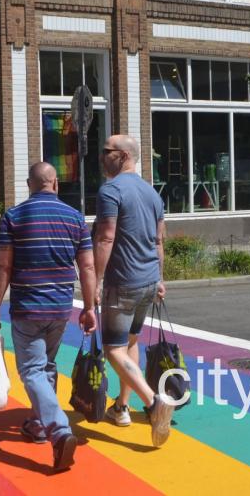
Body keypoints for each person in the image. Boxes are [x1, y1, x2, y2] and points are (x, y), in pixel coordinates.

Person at [0, 162, 97, 472]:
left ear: (29, 184)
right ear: (56, 184)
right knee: (47, 365)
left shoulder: (14, 216)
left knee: (33, 370)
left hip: (27, 308)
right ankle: (38, 424)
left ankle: (59, 431)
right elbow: (87, 268)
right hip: (61, 308)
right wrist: (88, 307)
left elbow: (3, 266)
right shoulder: (75, 218)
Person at [92, 134, 174, 448]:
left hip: (123, 281)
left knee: (113, 349)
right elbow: (158, 241)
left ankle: (154, 402)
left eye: (106, 152)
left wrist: (96, 281)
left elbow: (105, 238)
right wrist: (160, 278)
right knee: (130, 341)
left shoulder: (111, 190)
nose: (102, 157)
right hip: (148, 281)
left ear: (124, 155)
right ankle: (122, 408)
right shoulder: (151, 193)